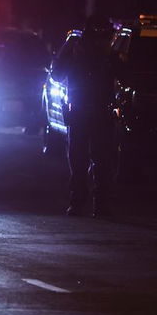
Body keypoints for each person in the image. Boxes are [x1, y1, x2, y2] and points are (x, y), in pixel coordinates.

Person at [52, 13, 122, 217]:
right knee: (88, 159)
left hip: (93, 110)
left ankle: (89, 202)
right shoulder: (78, 50)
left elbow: (126, 76)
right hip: (85, 110)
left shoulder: (105, 53)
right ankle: (91, 202)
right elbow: (57, 74)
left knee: (91, 159)